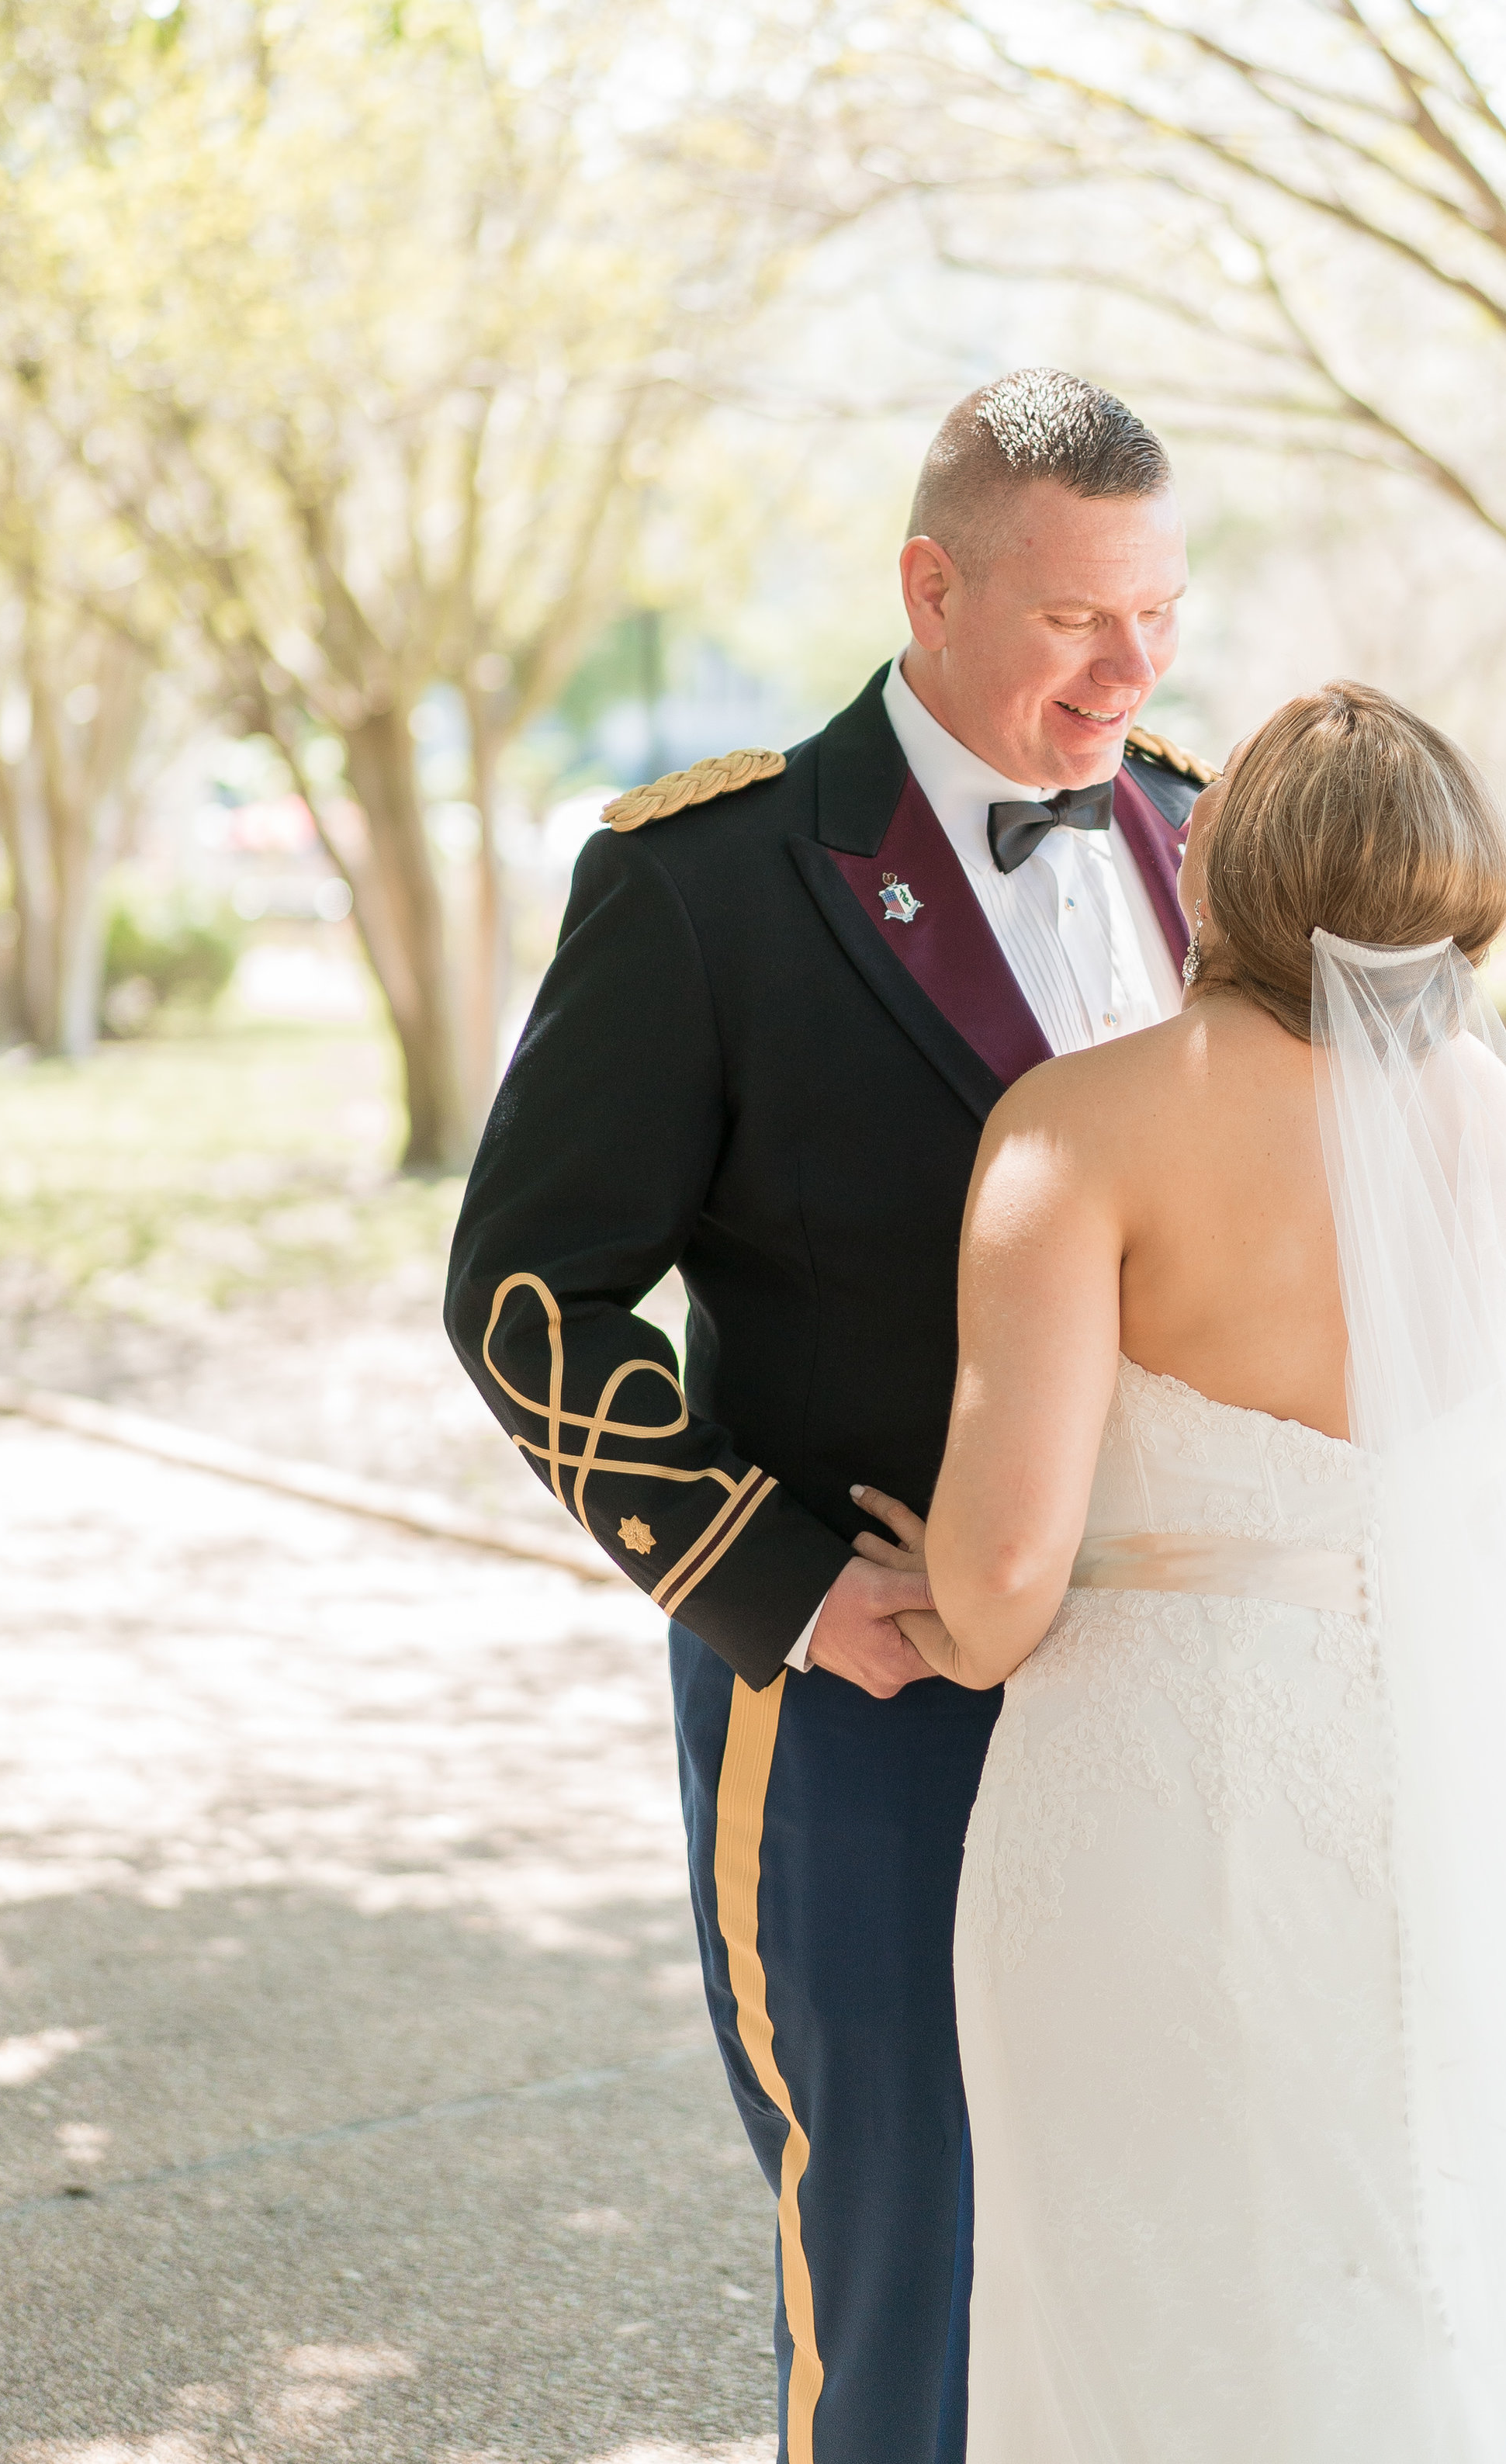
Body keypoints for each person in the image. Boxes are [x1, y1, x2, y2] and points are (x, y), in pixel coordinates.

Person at [859, 685, 1506, 2462]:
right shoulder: (1482, 1125)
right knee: (1417, 2277)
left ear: (1206, 876)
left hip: (1150, 1801)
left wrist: (939, 1570)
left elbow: (998, 1589)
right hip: (1435, 1805)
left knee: (1145, 2299)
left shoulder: (1078, 1127)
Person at [442, 369, 1213, 2464]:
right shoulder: (708, 881)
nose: (1130, 668)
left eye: (1157, 611)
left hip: (1195, 1701)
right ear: (929, 587)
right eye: (1075, 618)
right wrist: (776, 1590)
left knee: (1170, 2234)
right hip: (869, 1703)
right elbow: (527, 1292)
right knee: (906, 2266)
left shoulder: (1212, 839)